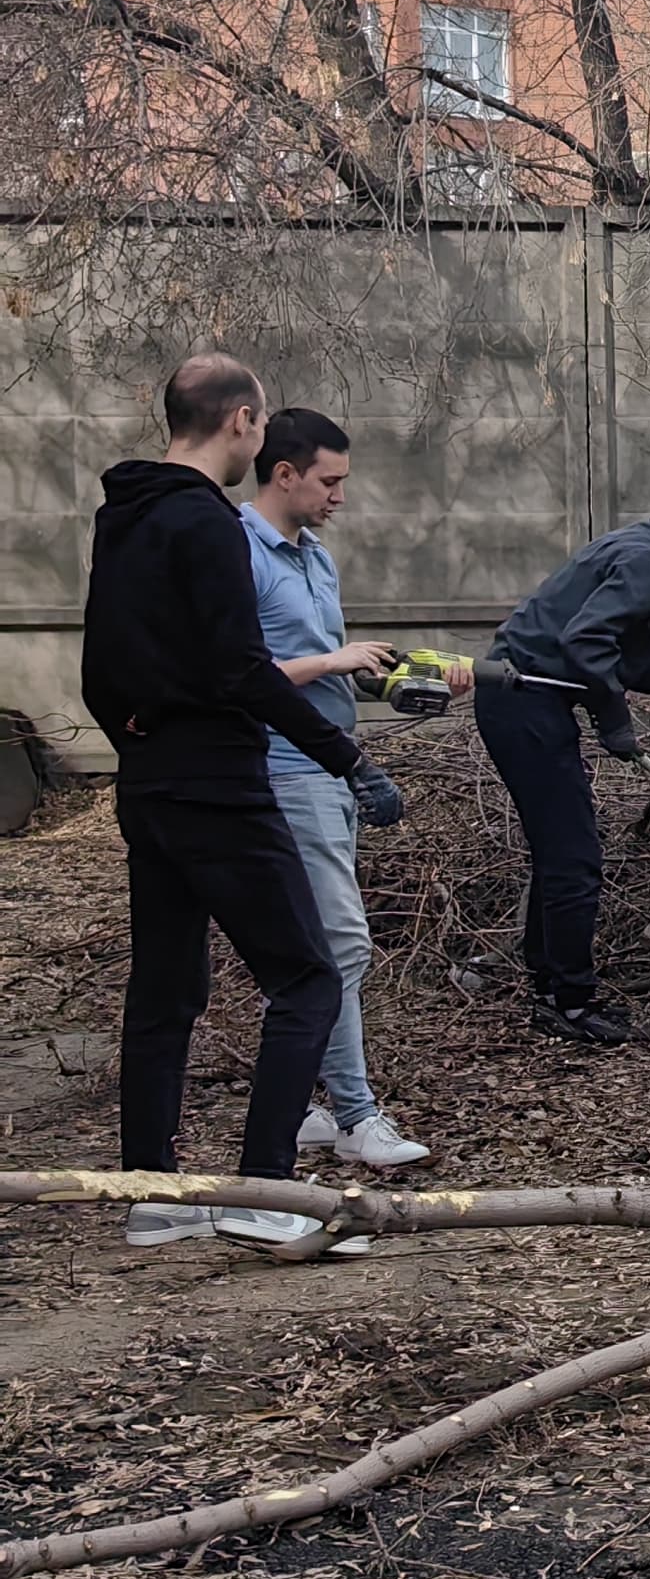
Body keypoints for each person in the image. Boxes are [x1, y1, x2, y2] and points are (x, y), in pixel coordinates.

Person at [79, 353, 396, 1252]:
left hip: (147, 781)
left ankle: (153, 1194)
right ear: (243, 423)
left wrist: (135, 737)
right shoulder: (209, 524)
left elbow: (99, 665)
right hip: (220, 782)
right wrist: (345, 758)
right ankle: (269, 1196)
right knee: (306, 981)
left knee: (167, 993)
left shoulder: (124, 518)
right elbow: (238, 668)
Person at [239, 407, 446, 1173]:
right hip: (283, 771)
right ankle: (356, 1116)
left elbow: (318, 659)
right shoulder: (239, 550)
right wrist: (332, 662)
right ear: (284, 474)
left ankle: (299, 1109)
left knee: (310, 953)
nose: (341, 495)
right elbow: (237, 676)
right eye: (330, 481)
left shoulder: (314, 555)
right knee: (338, 946)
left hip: (332, 764)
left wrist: (379, 678)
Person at [472, 465, 650, 1045]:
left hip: (524, 701)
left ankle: (552, 991)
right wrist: (613, 721)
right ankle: (569, 1002)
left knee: (560, 853)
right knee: (574, 858)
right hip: (526, 702)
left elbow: (614, 657)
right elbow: (585, 643)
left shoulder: (648, 552)